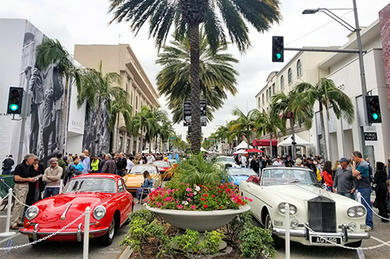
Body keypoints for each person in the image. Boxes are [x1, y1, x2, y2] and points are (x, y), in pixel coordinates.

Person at [11, 154, 37, 229]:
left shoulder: (28, 167)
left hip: (26, 185)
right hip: (20, 186)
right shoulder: (20, 166)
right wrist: (28, 179)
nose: (33, 161)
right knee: (18, 204)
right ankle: (14, 222)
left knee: (22, 204)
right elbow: (16, 178)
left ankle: (18, 220)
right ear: (28, 159)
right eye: (32, 159)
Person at [351, 151, 373, 230]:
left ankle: (369, 224)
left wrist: (353, 165)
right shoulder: (360, 165)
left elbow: (353, 174)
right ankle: (365, 223)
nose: (353, 159)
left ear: (357, 157)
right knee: (362, 206)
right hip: (360, 187)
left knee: (366, 205)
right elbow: (356, 176)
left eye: (353, 157)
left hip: (364, 188)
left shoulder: (363, 164)